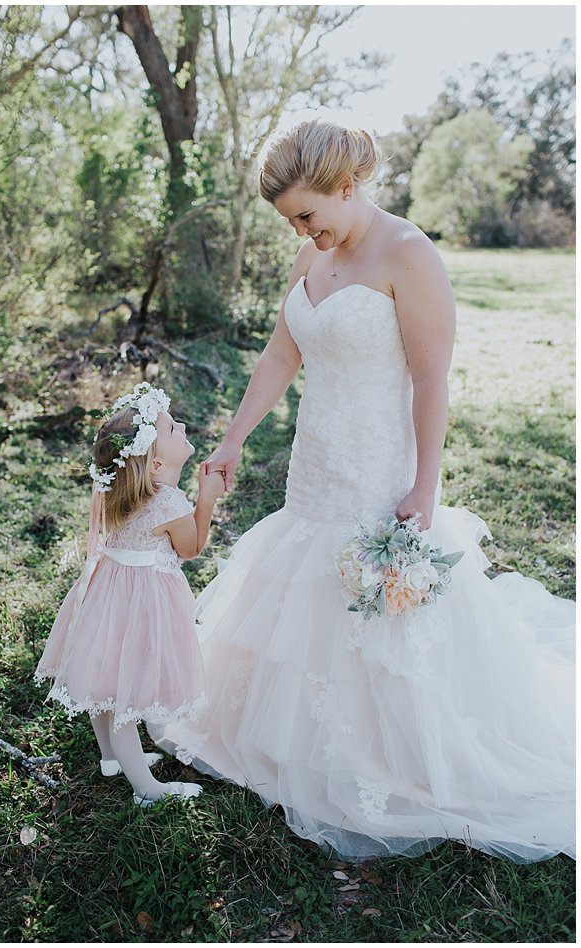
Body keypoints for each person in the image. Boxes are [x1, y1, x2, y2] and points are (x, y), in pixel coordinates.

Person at [158, 120, 576, 863]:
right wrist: (232, 440)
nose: (302, 230)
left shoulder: (409, 255)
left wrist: (424, 484)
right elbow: (282, 353)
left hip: (381, 466)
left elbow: (431, 378)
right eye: (291, 220)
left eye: (307, 215)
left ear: (347, 186)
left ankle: (390, 756)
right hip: (315, 463)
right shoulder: (308, 257)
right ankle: (287, 738)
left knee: (379, 614)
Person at [36, 383, 229, 805]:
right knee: (127, 694)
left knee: (104, 677)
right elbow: (192, 548)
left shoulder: (118, 491)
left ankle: (111, 757)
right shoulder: (167, 504)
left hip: (109, 594)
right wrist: (207, 499)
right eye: (173, 428)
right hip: (144, 603)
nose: (181, 425)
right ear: (157, 462)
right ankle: (146, 790)